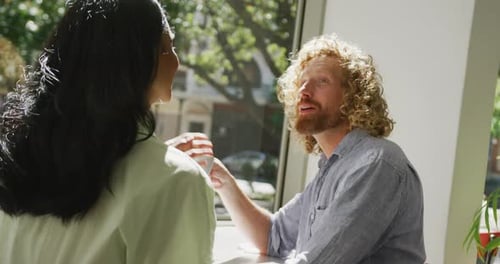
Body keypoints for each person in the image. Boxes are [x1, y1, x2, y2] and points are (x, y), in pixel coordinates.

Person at [0, 0, 215, 263]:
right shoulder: (176, 181)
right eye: (167, 47)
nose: (177, 62)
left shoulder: (16, 166)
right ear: (134, 61)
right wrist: (157, 166)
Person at [208, 34, 426, 263]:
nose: (304, 90)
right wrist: (225, 182)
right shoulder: (332, 168)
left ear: (354, 96)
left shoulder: (376, 163)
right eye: (302, 81)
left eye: (321, 81)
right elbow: (273, 237)